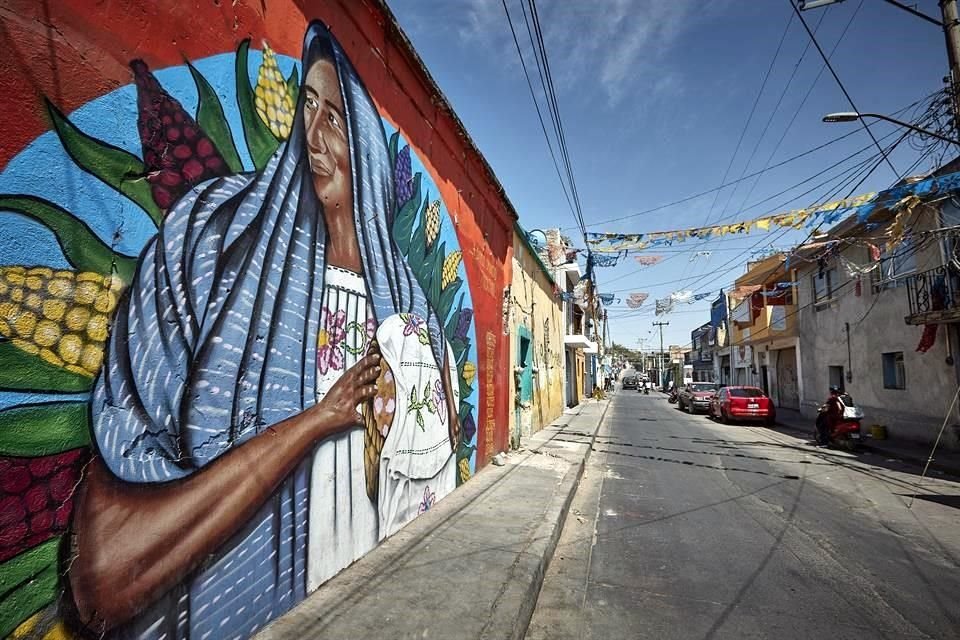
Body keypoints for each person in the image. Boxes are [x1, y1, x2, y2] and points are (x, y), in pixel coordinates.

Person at [68, 21, 460, 639]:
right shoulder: (215, 247)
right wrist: (315, 420)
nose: (313, 135)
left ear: (366, 146)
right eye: (308, 104)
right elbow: (103, 580)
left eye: (336, 119)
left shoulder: (409, 307)